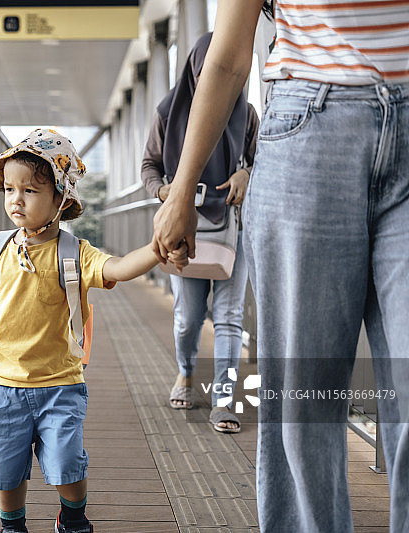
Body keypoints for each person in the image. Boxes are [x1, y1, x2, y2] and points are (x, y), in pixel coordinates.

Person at [152, 2, 409, 531]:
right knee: (303, 403)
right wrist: (180, 190)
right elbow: (228, 60)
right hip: (311, 127)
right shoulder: (164, 112)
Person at [0, 128, 187, 533]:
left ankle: (73, 517)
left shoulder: (74, 254)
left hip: (59, 384)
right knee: (6, 470)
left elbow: (119, 269)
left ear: (61, 199)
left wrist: (157, 249)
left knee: (68, 466)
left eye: (31, 191)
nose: (16, 199)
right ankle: (12, 525)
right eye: (9, 189)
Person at [142, 32, 259, 433]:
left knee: (228, 317)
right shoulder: (166, 113)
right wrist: (166, 192)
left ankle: (224, 400)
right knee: (188, 316)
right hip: (183, 228)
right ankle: (187, 374)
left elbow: (268, 163)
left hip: (233, 228)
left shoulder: (248, 115)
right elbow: (149, 166)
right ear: (194, 67)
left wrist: (247, 173)